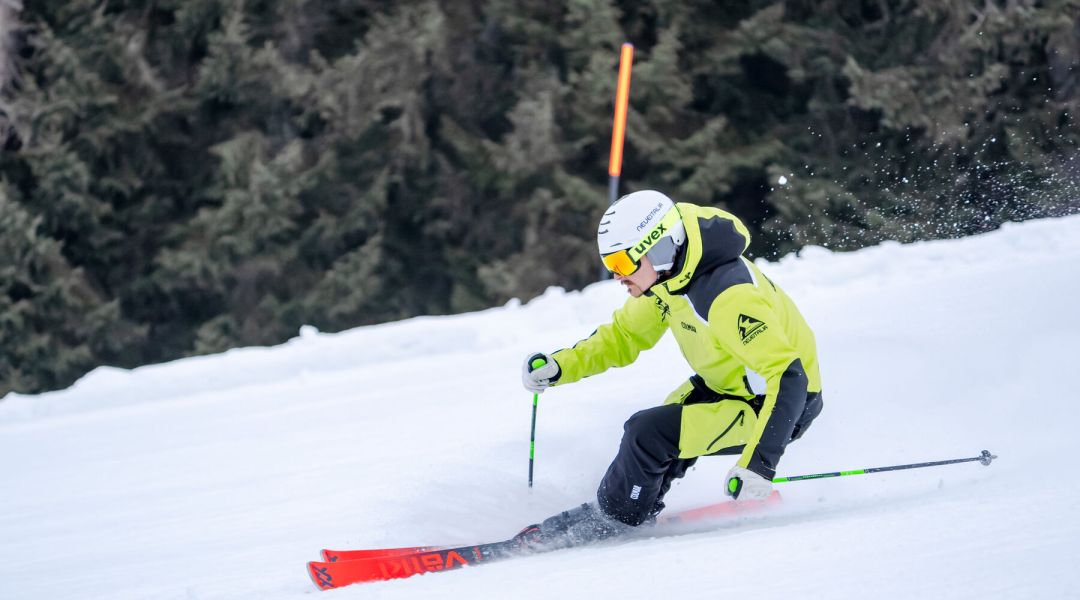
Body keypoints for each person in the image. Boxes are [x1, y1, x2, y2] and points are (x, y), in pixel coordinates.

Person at [518, 190, 823, 547]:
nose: (618, 277)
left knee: (648, 433)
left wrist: (759, 465)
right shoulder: (668, 278)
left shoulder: (729, 296)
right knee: (658, 431)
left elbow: (789, 377)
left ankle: (616, 519)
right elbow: (623, 336)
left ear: (659, 247)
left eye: (622, 263)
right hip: (725, 384)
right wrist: (560, 367)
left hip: (779, 405)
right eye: (610, 266)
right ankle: (621, 507)